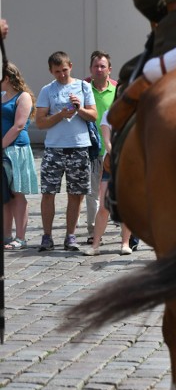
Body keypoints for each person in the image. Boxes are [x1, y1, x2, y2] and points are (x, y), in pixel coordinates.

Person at [34, 51, 98, 252]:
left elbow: (93, 115)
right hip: (54, 148)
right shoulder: (47, 90)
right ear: (50, 71)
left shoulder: (83, 86)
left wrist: (79, 109)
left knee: (76, 194)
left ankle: (71, 236)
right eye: (56, 72)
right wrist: (61, 115)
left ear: (70, 66)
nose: (61, 75)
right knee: (48, 193)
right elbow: (40, 122)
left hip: (79, 146)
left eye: (64, 70)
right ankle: (47, 236)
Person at [81, 110, 134, 256]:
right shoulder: (109, 114)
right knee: (104, 206)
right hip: (111, 164)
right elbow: (107, 140)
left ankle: (125, 243)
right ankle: (95, 245)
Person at [1, 62, 39, 250]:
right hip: (3, 150)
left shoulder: (23, 97)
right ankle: (6, 236)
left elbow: (18, 126)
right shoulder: (1, 96)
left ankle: (21, 237)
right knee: (5, 195)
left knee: (17, 193)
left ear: (6, 78)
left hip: (16, 150)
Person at [83, 51, 117, 243]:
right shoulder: (83, 89)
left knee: (119, 192)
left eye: (103, 66)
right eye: (96, 66)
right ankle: (92, 232)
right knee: (93, 193)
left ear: (109, 69)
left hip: (114, 150)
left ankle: (124, 231)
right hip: (91, 148)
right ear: (90, 69)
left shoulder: (118, 91)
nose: (99, 69)